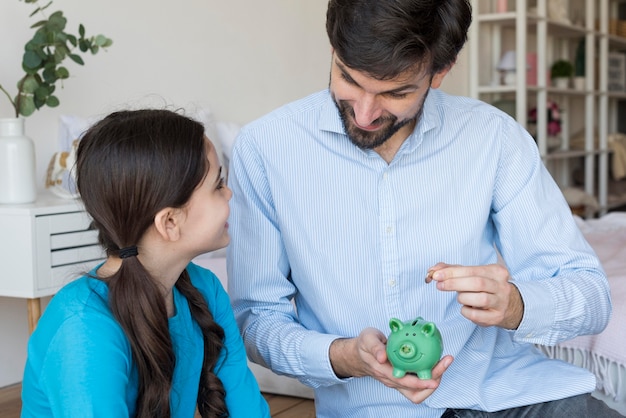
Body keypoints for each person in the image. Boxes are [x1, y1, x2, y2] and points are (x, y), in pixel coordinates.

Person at [226, 1, 620, 417]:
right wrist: (343, 356)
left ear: (441, 71)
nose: (364, 114)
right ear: (333, 51)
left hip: (515, 394)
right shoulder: (266, 149)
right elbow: (256, 321)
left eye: (396, 93)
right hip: (373, 408)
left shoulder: (494, 138)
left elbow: (590, 295)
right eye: (348, 78)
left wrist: (516, 304)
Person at [21, 109, 270, 418]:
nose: (229, 192)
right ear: (169, 222)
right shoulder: (84, 328)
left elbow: (247, 409)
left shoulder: (206, 290)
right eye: (218, 185)